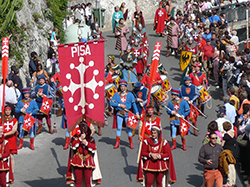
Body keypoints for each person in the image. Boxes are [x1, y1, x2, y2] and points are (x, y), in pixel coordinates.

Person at [110, 80, 140, 149]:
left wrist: (137, 113)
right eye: (121, 86)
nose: (122, 88)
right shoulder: (116, 94)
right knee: (119, 128)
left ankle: (131, 143)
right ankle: (117, 143)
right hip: (119, 114)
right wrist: (119, 105)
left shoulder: (130, 95)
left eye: (124, 86)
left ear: (126, 87)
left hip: (127, 114)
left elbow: (134, 105)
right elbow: (112, 103)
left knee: (128, 129)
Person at [66, 121, 97, 187]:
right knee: (78, 182)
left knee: (88, 182)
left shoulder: (91, 139)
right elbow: (73, 146)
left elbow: (94, 148)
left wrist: (86, 143)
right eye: (82, 127)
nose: (83, 129)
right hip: (78, 160)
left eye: (85, 127)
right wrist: (80, 139)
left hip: (88, 161)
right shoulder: (75, 138)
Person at [0, 106, 18, 174]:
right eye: (6, 110)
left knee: (11, 156)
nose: (8, 112)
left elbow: (13, 131)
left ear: (11, 111)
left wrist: (4, 134)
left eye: (9, 110)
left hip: (11, 140)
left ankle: (12, 172)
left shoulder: (14, 120)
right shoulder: (1, 120)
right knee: (2, 155)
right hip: (2, 140)